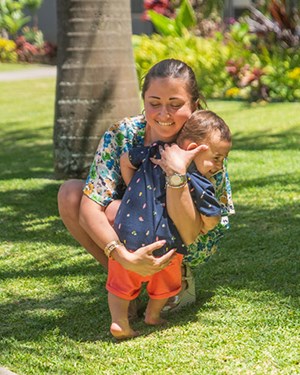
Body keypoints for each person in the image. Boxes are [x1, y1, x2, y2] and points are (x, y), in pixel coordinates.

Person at [57, 58, 234, 317]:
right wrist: (122, 257)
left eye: (175, 105)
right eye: (154, 104)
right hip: (134, 225)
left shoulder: (205, 142)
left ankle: (176, 275)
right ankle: (125, 281)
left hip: (189, 236)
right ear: (144, 102)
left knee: (126, 207)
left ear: (194, 105)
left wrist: (177, 173)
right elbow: (89, 207)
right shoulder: (124, 134)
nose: (164, 114)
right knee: (71, 194)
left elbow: (193, 230)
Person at [105, 110, 232, 339]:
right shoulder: (199, 179)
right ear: (194, 148)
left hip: (125, 235)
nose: (220, 166)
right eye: (217, 157)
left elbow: (125, 160)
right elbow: (213, 217)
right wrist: (206, 226)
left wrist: (134, 187)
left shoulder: (155, 151)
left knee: (120, 280)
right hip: (165, 243)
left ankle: (119, 322)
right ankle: (152, 315)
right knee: (165, 279)